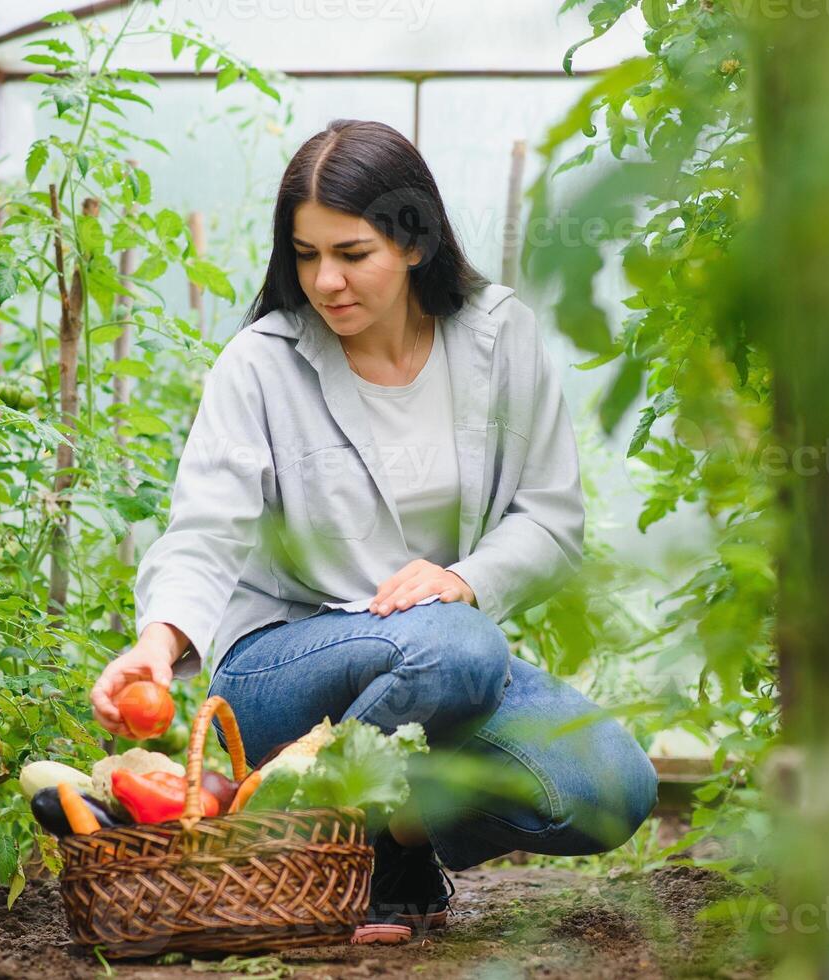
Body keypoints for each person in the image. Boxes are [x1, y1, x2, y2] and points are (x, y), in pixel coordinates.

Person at [90, 119, 658, 942]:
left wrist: (462, 581)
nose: (325, 281)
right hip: (279, 669)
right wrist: (158, 638)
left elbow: (551, 519)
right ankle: (339, 854)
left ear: (416, 243)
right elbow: (206, 527)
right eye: (306, 254)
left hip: (439, 667)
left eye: (352, 254)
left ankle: (398, 831)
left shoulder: (499, 340)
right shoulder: (262, 363)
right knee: (459, 648)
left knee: (612, 786)